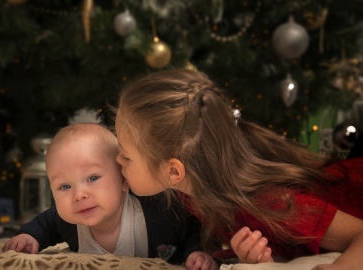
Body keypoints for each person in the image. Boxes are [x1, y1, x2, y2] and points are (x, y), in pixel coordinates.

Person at [114, 69, 363, 269]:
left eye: (126, 156)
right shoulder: (193, 186)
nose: (117, 160)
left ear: (173, 171)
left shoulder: (270, 202)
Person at [3, 123, 218, 270]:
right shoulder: (68, 221)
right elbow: (44, 225)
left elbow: (191, 226)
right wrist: (30, 237)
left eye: (93, 178)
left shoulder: (156, 210)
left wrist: (197, 252)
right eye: (65, 186)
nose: (79, 195)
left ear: (124, 179)